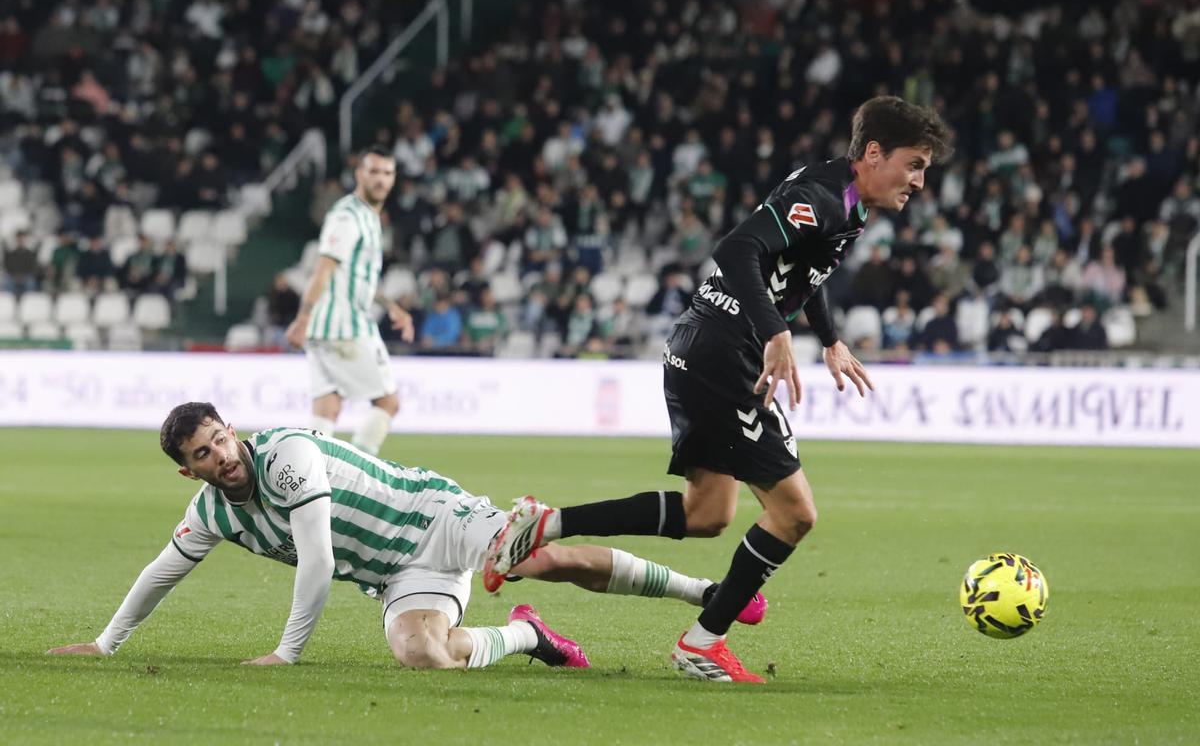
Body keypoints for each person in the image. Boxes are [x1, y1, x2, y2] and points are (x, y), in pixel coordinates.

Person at [484, 96, 952, 682]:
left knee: (706, 513)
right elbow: (735, 249)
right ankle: (702, 642)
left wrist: (830, 338)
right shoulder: (824, 198)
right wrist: (776, 331)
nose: (919, 182)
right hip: (726, 353)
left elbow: (805, 270)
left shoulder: (845, 199)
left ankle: (546, 524)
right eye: (914, 165)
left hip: (701, 343)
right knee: (794, 513)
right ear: (874, 153)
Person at [48, 403, 765, 670]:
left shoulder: (286, 456)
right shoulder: (211, 512)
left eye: (220, 440)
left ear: (232, 430)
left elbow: (318, 558)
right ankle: (529, 636)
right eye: (203, 455)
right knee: (423, 655)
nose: (221, 457)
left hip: (433, 517)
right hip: (396, 577)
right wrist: (107, 643)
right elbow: (161, 572)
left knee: (545, 558)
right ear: (189, 471)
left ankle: (707, 593)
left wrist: (287, 653)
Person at [285, 147, 415, 455]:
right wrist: (302, 319)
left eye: (387, 173)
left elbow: (357, 278)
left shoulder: (370, 217)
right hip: (344, 327)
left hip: (325, 328)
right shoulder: (347, 216)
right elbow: (323, 268)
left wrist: (392, 307)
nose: (381, 179)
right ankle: (356, 473)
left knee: (327, 408)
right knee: (388, 402)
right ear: (359, 175)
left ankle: (312, 472)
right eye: (374, 172)